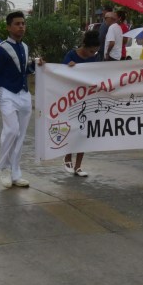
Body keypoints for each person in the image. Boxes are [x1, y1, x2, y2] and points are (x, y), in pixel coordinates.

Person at [0, 11, 36, 188]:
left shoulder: (25, 47)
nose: (21, 26)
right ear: (8, 27)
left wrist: (34, 66)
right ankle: (4, 168)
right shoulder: (2, 48)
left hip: (24, 95)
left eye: (23, 23)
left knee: (20, 136)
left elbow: (22, 71)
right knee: (12, 130)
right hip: (7, 94)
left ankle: (15, 172)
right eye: (17, 24)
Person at [61, 30, 100, 177]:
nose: (92, 54)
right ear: (84, 45)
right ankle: (67, 158)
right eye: (91, 51)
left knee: (84, 131)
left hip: (87, 98)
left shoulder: (94, 59)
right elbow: (59, 74)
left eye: (95, 52)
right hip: (71, 98)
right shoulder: (71, 55)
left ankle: (78, 166)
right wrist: (68, 68)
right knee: (72, 129)